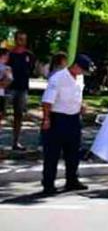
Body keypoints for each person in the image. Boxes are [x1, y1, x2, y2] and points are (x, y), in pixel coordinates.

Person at [40, 54, 93, 195]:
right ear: (75, 66)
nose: (83, 73)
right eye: (82, 69)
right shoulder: (58, 78)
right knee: (52, 153)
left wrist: (81, 106)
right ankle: (48, 183)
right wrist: (46, 119)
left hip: (74, 118)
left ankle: (72, 180)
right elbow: (47, 101)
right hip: (57, 118)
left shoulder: (80, 78)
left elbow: (77, 95)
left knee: (73, 153)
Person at [7, 30, 36, 150]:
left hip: (22, 88)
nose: (21, 42)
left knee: (18, 115)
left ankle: (16, 141)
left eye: (23, 39)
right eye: (19, 39)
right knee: (2, 113)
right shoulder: (9, 54)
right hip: (9, 88)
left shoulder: (29, 55)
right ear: (15, 39)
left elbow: (31, 69)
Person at [0, 48, 13, 130]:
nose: (8, 57)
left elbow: (8, 81)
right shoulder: (6, 68)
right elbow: (9, 80)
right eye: (7, 55)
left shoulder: (7, 68)